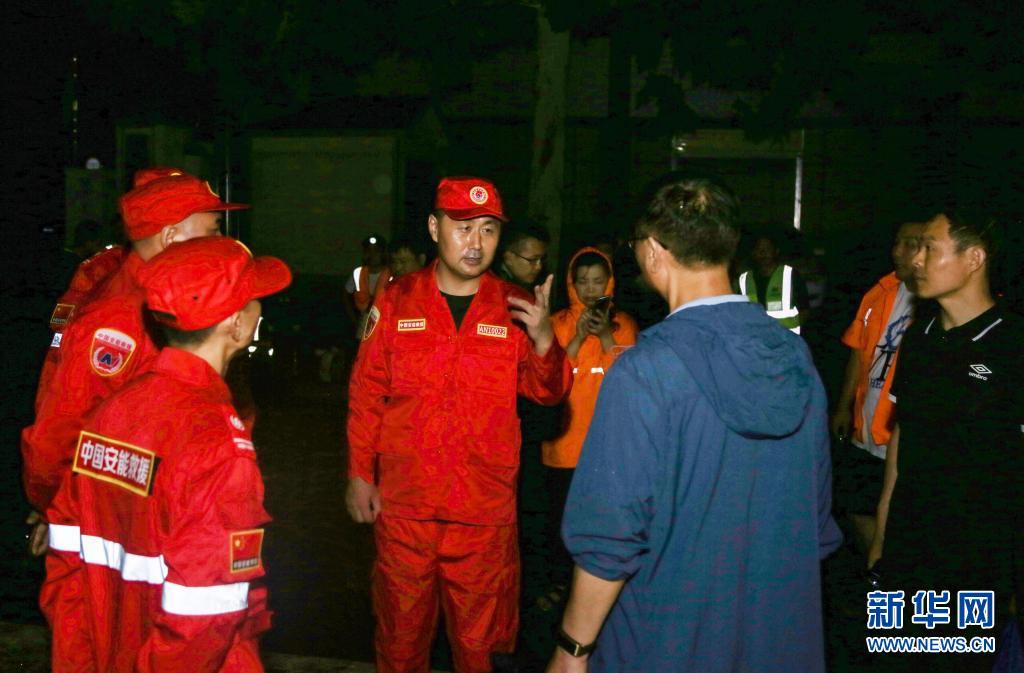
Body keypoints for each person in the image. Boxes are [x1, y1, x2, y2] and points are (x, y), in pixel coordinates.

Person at [546, 176, 841, 673]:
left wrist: (572, 650)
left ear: (653, 251)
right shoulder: (795, 357)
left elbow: (611, 535)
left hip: (668, 636)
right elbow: (814, 517)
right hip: (774, 631)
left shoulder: (644, 371)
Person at [345, 176, 572, 673]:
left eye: (488, 230)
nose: (476, 243)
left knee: (482, 650)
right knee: (400, 643)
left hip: (482, 514)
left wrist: (543, 341)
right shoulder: (397, 299)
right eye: (463, 227)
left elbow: (548, 392)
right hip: (406, 507)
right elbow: (366, 392)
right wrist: (360, 473)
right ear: (434, 228)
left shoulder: (515, 306)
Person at [42, 236, 290, 673]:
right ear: (236, 324)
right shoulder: (217, 443)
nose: (261, 310)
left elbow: (65, 565)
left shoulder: (111, 411)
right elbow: (204, 619)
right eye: (255, 300)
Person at [22, 169, 247, 559]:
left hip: (147, 510)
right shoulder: (120, 319)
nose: (219, 241)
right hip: (114, 520)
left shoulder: (162, 298)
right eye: (212, 231)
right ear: (171, 237)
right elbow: (58, 430)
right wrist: (51, 506)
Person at [870, 211, 1023, 672]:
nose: (916, 259)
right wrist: (881, 535)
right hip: (909, 546)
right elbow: (902, 437)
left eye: (929, 248)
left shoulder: (1011, 344)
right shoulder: (920, 338)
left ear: (973, 259)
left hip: (978, 556)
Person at [540, 247, 638, 595]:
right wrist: (579, 336)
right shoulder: (556, 324)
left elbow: (631, 380)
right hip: (563, 445)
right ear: (571, 284)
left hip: (605, 448)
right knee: (560, 523)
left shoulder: (624, 325)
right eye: (583, 281)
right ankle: (558, 587)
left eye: (598, 280)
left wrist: (606, 337)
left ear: (609, 282)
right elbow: (549, 379)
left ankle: (594, 592)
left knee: (600, 527)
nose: (591, 288)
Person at [831, 220, 923, 552]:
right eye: (897, 242)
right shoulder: (879, 293)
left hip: (899, 437)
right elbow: (858, 353)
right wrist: (844, 407)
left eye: (909, 243)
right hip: (866, 428)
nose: (897, 251)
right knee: (856, 507)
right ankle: (878, 569)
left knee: (898, 519)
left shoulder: (935, 303)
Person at [735, 231, 810, 334]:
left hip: (784, 340)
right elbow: (740, 312)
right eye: (759, 249)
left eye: (767, 248)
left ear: (776, 251)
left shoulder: (790, 275)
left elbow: (804, 310)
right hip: (756, 339)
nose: (763, 253)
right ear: (753, 253)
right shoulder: (745, 280)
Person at [498, 220, 550, 288]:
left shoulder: (540, 282)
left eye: (542, 259)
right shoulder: (497, 286)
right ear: (509, 257)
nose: (539, 267)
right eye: (532, 260)